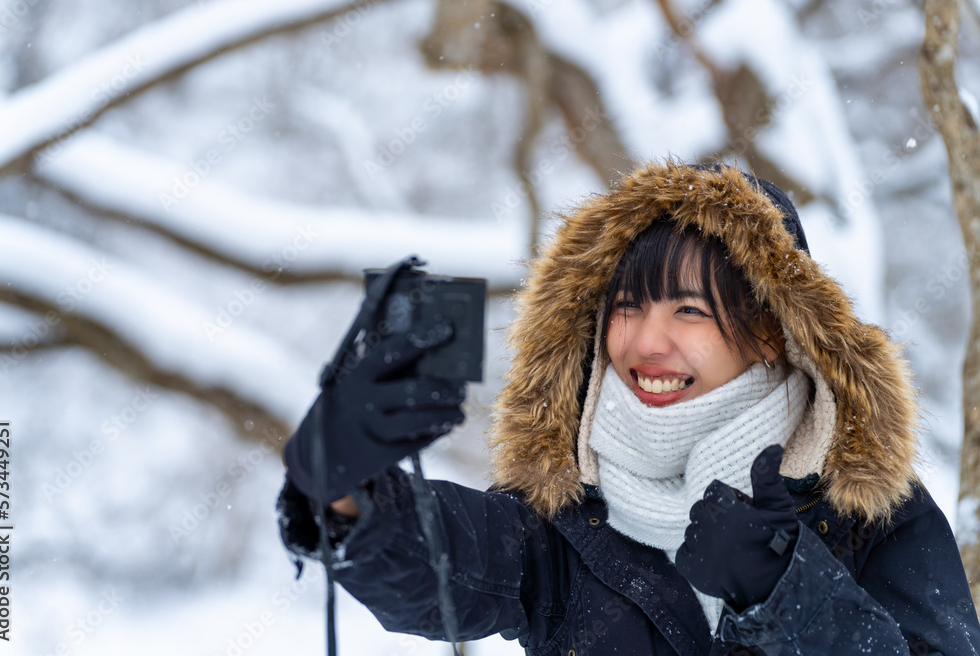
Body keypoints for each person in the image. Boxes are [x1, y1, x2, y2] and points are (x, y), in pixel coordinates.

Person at [277, 161, 980, 654]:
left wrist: (785, 588)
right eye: (627, 305)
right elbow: (437, 570)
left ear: (771, 329)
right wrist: (340, 483)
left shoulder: (870, 510)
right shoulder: (568, 518)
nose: (646, 341)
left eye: (689, 310)